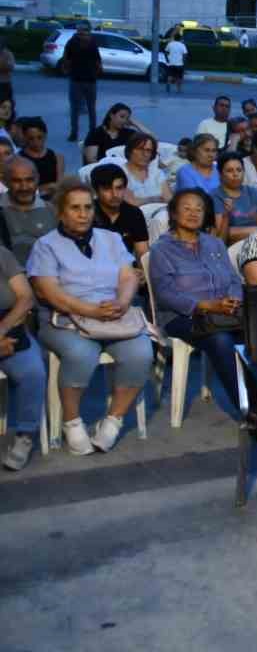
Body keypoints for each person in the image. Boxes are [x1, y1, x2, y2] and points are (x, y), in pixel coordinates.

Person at [28, 182, 153, 454]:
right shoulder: (45, 246)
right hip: (63, 318)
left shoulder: (109, 238)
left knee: (141, 352)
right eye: (75, 208)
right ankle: (71, 422)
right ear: (61, 212)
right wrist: (91, 311)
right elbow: (51, 294)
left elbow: (128, 275)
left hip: (111, 313)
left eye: (87, 207)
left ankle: (113, 419)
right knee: (81, 353)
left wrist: (122, 301)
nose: (83, 214)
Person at [148, 188, 243, 410]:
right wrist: (204, 305)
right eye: (186, 208)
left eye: (199, 208)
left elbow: (233, 279)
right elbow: (165, 294)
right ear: (173, 214)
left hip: (224, 310)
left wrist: (233, 300)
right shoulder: (162, 250)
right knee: (220, 340)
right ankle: (251, 408)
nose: (193, 213)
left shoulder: (215, 244)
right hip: (182, 316)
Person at [0, 238, 44, 471]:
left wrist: (2, 330)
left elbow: (26, 297)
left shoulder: (2, 255)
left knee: (33, 371)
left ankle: (26, 434)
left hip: (9, 329)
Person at [1, 158, 56, 264]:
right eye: (17, 181)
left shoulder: (52, 211)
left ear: (38, 179)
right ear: (5, 181)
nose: (24, 187)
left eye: (30, 180)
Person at [89, 164, 149, 260]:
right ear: (96, 191)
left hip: (126, 269)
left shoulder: (134, 214)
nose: (114, 194)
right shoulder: (85, 213)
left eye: (119, 188)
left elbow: (142, 253)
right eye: (107, 189)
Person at [210, 153, 257, 243]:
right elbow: (221, 235)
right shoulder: (215, 196)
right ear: (220, 174)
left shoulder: (253, 192)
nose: (235, 174)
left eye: (239, 170)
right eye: (229, 171)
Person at [63, 24, 102, 142]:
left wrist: (97, 71)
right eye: (82, 32)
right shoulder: (72, 43)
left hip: (88, 80)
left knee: (89, 108)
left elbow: (97, 60)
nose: (84, 34)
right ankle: (75, 132)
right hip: (78, 79)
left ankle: (90, 132)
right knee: (77, 108)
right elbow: (66, 59)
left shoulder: (92, 43)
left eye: (85, 32)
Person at [118, 133, 169, 206]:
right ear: (130, 150)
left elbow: (169, 199)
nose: (144, 154)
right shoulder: (120, 173)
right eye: (140, 149)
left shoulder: (157, 173)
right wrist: (153, 199)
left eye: (148, 150)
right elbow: (131, 202)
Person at [17, 119, 61, 197]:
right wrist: (48, 187)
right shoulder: (19, 159)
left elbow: (59, 185)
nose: (36, 142)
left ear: (45, 135)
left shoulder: (57, 157)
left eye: (39, 137)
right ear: (25, 137)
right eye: (31, 138)